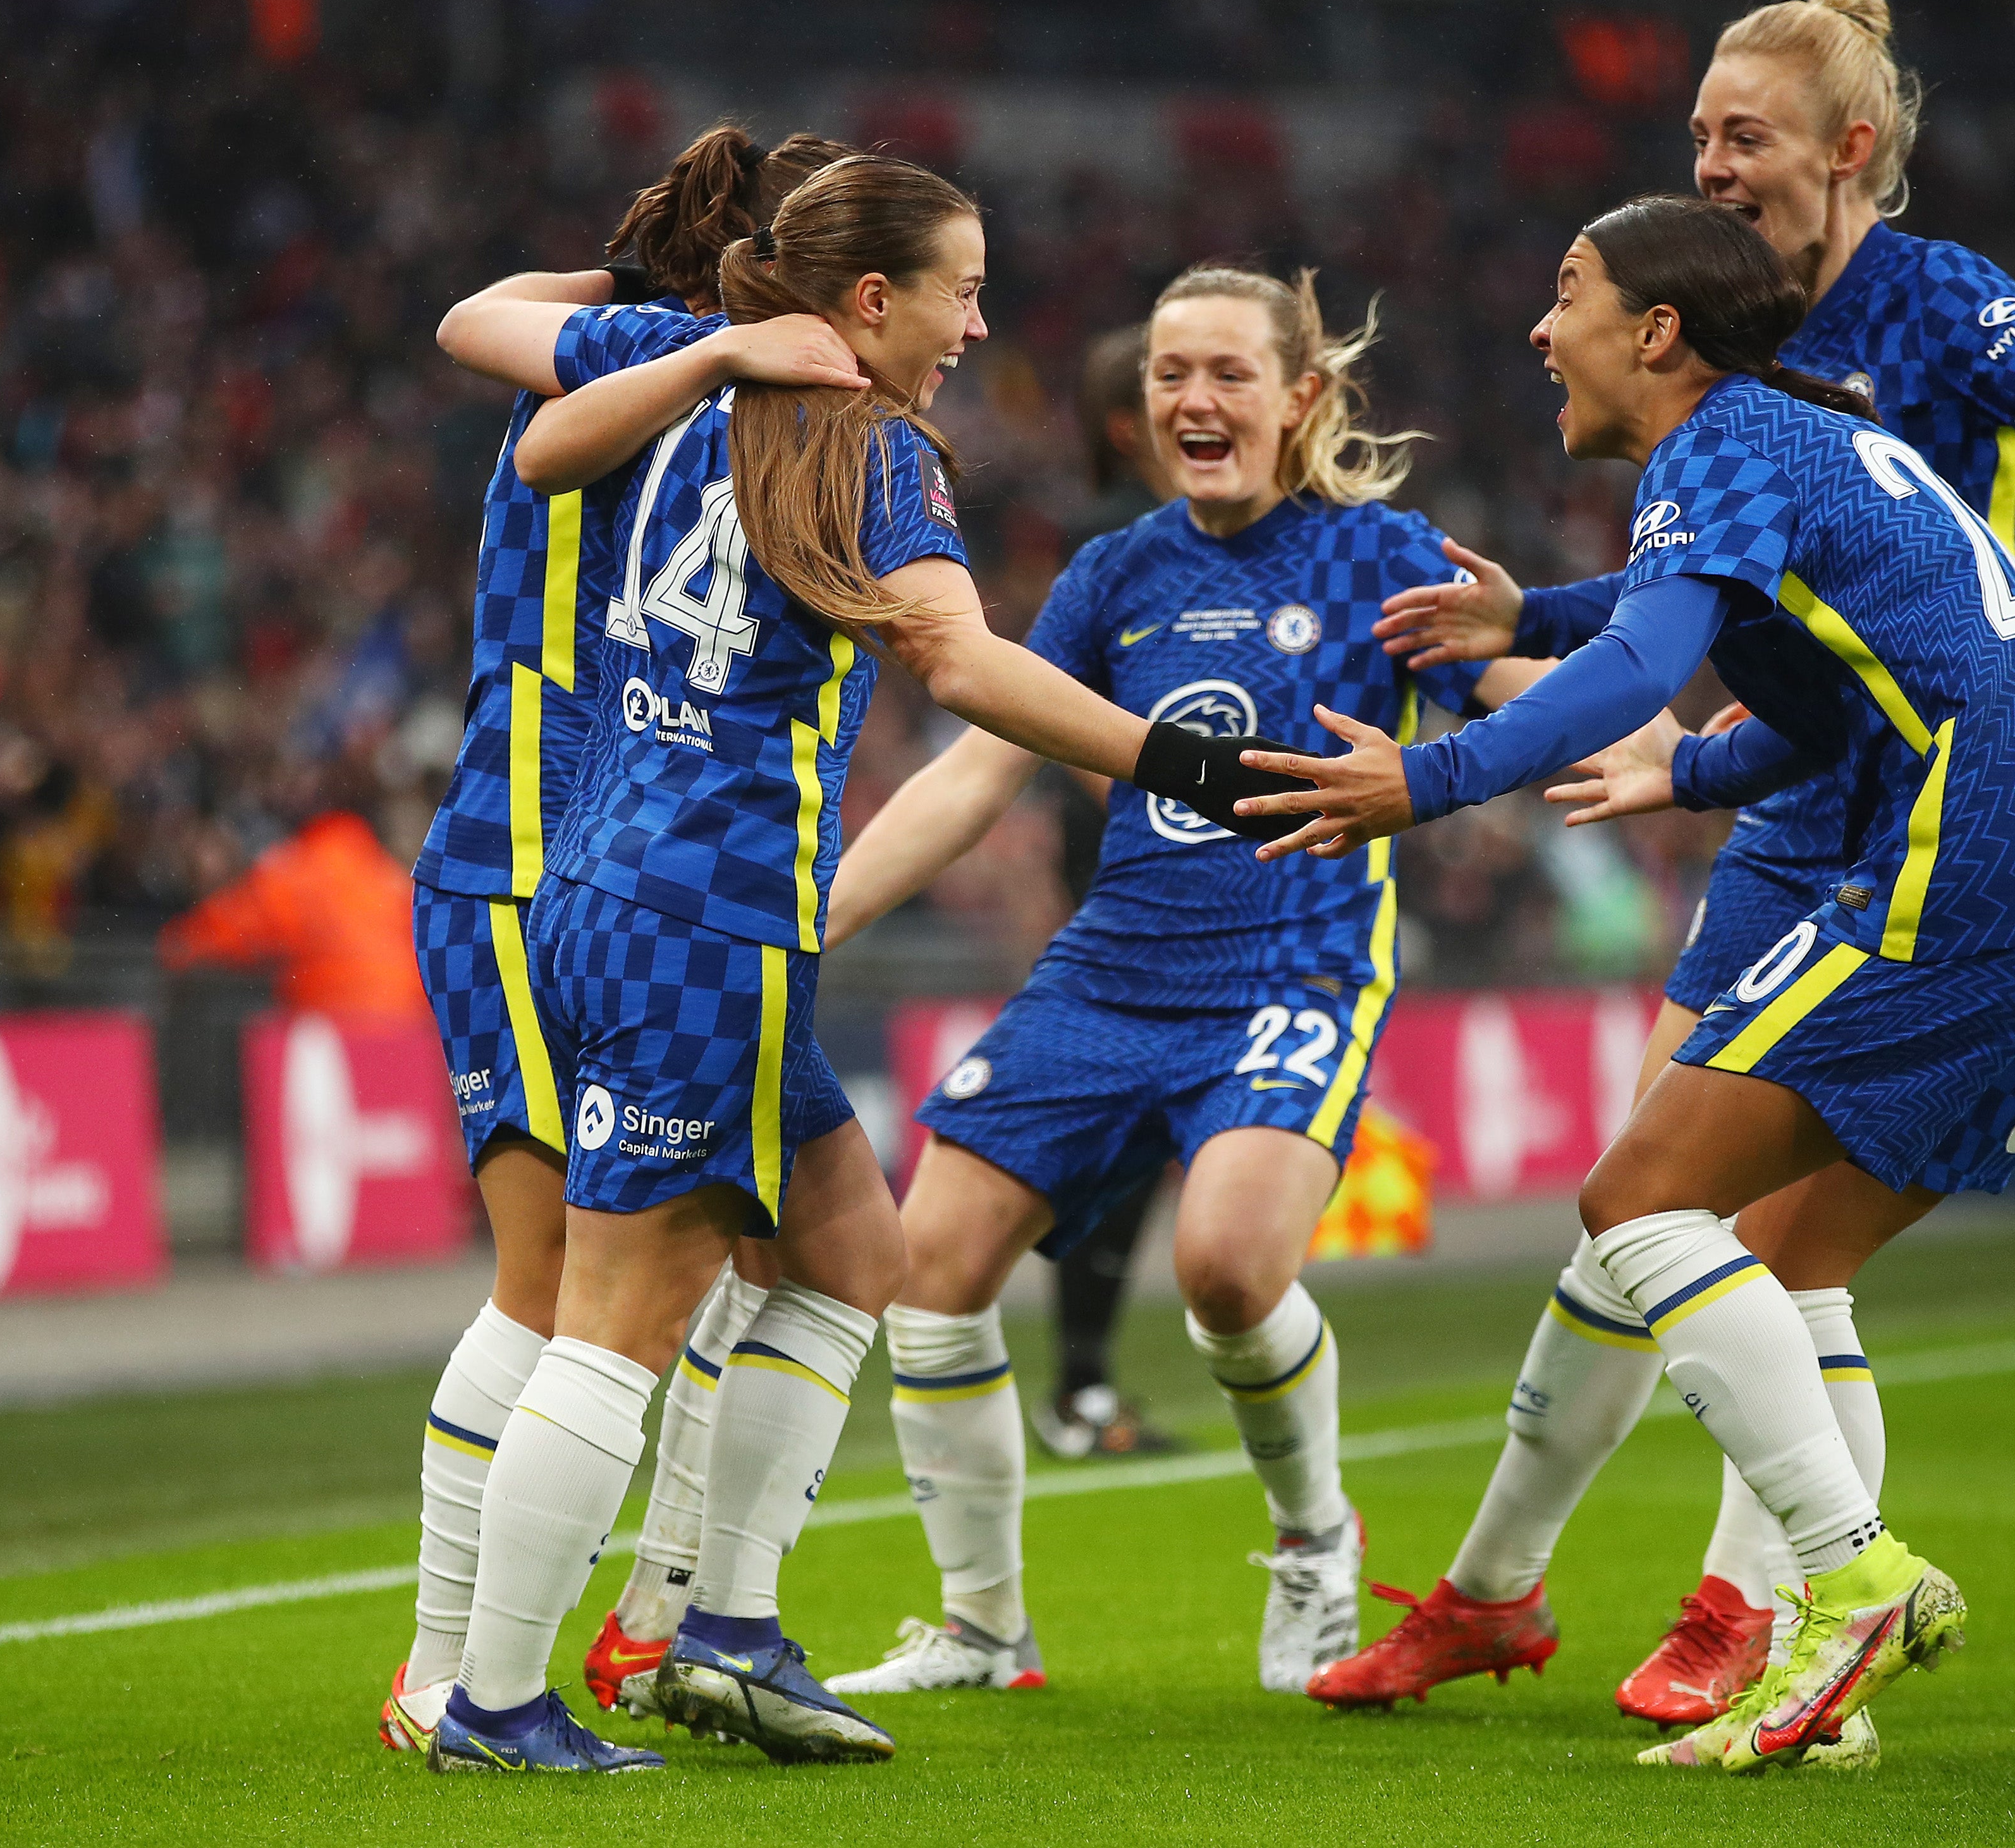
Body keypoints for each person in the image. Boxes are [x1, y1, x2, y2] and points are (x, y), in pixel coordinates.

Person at [1337, 0, 2015, 1749]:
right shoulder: (1812, 428)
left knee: (1636, 1203)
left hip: (1944, 866)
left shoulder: (1781, 406)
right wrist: (1536, 614)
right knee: (1786, 1267)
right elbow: (1743, 639)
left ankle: (1838, 1574)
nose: (1533, 331)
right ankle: (1799, 1642)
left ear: (1661, 332)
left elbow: (1649, 665)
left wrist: (1424, 786)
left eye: (1563, 298)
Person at [413, 157, 1308, 1773]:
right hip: (714, 903)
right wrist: (1185, 766)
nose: (980, 322)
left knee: (847, 1244)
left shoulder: (678, 377)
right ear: (873, 297)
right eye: (961, 288)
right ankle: (493, 1697)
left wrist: (699, 352)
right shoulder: (873, 440)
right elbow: (960, 661)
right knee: (609, 1316)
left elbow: (535, 436)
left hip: (603, 875)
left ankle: (731, 1625)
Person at [757, 264, 1543, 1701]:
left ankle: (1316, 1537)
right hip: (1111, 969)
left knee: (1231, 1274)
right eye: (1170, 371)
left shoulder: (1383, 559)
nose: (1192, 396)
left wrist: (1673, 741)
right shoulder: (1113, 573)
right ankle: (985, 1627)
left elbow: (1533, 704)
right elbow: (977, 773)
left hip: (1292, 963)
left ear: (1299, 397)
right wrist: (805, 925)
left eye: (1229, 371)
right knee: (926, 1274)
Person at [377, 122, 852, 1758]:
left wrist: (655, 266)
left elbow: (470, 313)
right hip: (544, 866)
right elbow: (481, 320)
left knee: (794, 1250)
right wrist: (700, 299)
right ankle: (454, 1673)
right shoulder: (691, 365)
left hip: (598, 866)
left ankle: (683, 1618)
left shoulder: (634, 360)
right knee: (559, 1291)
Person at [1036, 322, 1189, 1464]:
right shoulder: (1109, 551)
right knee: (1120, 1150)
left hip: (1176, 871)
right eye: (1169, 384)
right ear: (1123, 425)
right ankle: (1078, 1387)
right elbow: (1058, 721)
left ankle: (1083, 1384)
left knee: (1143, 1154)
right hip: (1132, 882)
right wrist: (1178, 799)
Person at [159, 799, 425, 1021]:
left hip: (337, 1023)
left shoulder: (297, 870)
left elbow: (236, 927)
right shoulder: (385, 872)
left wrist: (185, 941)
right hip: (408, 1025)